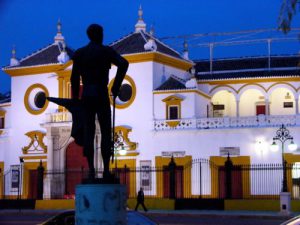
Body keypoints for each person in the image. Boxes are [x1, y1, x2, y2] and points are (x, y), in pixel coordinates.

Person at [71, 24, 129, 179]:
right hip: (102, 95)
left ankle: (91, 170)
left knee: (88, 132)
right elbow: (124, 64)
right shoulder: (106, 51)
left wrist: (75, 100)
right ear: (98, 34)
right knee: (105, 132)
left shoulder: (80, 54)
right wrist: (115, 86)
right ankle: (106, 171)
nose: (103, 36)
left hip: (87, 97)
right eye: (102, 33)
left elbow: (74, 79)